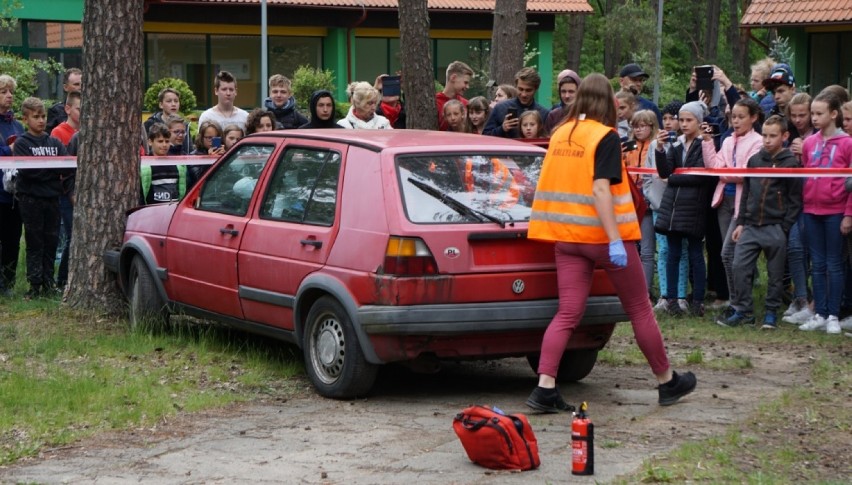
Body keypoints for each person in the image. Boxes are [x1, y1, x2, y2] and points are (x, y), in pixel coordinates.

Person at [525, 73, 696, 412]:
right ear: (607, 102)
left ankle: (545, 387)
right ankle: (666, 381)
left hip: (566, 237)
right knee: (639, 308)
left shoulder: (559, 134)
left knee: (568, 312)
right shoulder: (604, 137)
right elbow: (600, 189)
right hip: (602, 237)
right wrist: (615, 239)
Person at [715, 115, 802, 329]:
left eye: (773, 136)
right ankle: (744, 311)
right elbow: (746, 194)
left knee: (775, 273)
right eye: (764, 135)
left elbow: (795, 200)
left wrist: (784, 227)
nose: (767, 140)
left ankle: (771, 312)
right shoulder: (754, 160)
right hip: (751, 225)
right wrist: (742, 222)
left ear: (785, 136)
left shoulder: (791, 163)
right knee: (738, 266)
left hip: (776, 227)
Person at [702, 97, 764, 319]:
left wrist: (725, 173)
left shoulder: (757, 142)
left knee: (730, 254)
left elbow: (744, 175)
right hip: (724, 203)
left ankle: (740, 303)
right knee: (728, 255)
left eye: (740, 117)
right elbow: (714, 166)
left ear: (753, 118)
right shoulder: (727, 140)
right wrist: (708, 142)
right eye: (732, 117)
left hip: (742, 205)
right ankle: (735, 301)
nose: (735, 121)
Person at [797, 92, 852, 334]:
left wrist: (848, 214)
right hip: (811, 210)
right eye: (813, 114)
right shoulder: (809, 143)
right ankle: (819, 312)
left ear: (834, 114)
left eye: (819, 113)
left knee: (834, 264)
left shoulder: (848, 143)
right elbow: (806, 173)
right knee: (817, 265)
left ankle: (833, 314)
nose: (814, 118)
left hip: (836, 210)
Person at [654, 101, 714, 317]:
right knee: (672, 253)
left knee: (696, 253)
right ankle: (670, 299)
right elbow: (665, 172)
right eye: (682, 120)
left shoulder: (704, 144)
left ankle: (698, 299)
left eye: (689, 120)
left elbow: (700, 175)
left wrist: (675, 177)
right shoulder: (675, 145)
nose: (684, 124)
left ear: (699, 122)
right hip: (673, 208)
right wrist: (660, 149)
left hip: (694, 208)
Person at [13, 97, 68, 299]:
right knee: (34, 242)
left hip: (52, 199)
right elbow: (28, 173)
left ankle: (48, 282)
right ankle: (34, 284)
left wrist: (48, 172)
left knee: (52, 241)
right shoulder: (21, 143)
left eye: (43, 116)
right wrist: (50, 172)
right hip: (30, 200)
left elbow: (64, 168)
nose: (41, 120)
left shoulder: (54, 142)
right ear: (26, 119)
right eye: (36, 117)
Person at [0, 74, 25, 296]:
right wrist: (9, 151)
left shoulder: (17, 124)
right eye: (3, 92)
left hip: (14, 195)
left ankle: (7, 283)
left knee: (12, 241)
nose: (9, 96)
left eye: (11, 92)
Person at [483, 67, 550, 138]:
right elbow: (485, 137)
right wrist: (502, 129)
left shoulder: (543, 113)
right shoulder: (500, 108)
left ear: (536, 89)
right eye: (520, 89)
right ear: (516, 87)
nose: (523, 94)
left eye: (528, 90)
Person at [141, 123, 189, 206]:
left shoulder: (178, 166)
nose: (164, 145)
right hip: (152, 212)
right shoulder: (145, 166)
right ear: (150, 142)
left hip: (173, 211)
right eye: (160, 141)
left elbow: (182, 190)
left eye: (167, 141)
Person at [143, 87, 192, 155]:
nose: (173, 104)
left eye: (176, 101)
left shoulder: (185, 125)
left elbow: (189, 149)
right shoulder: (150, 123)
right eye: (169, 101)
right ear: (161, 104)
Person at [436, 61, 473, 130]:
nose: (467, 86)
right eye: (465, 82)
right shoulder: (435, 102)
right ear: (453, 78)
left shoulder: (466, 104)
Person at [46, 67, 82, 133]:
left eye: (82, 84)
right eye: (76, 84)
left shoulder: (92, 109)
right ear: (65, 87)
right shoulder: (55, 110)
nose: (80, 87)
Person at [544, 69, 581, 133]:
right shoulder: (553, 116)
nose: (567, 96)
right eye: (563, 91)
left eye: (571, 92)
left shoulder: (587, 113)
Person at [763, 64, 797, 133]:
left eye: (781, 91)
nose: (776, 96)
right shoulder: (769, 116)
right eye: (773, 93)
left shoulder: (807, 113)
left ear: (793, 90)